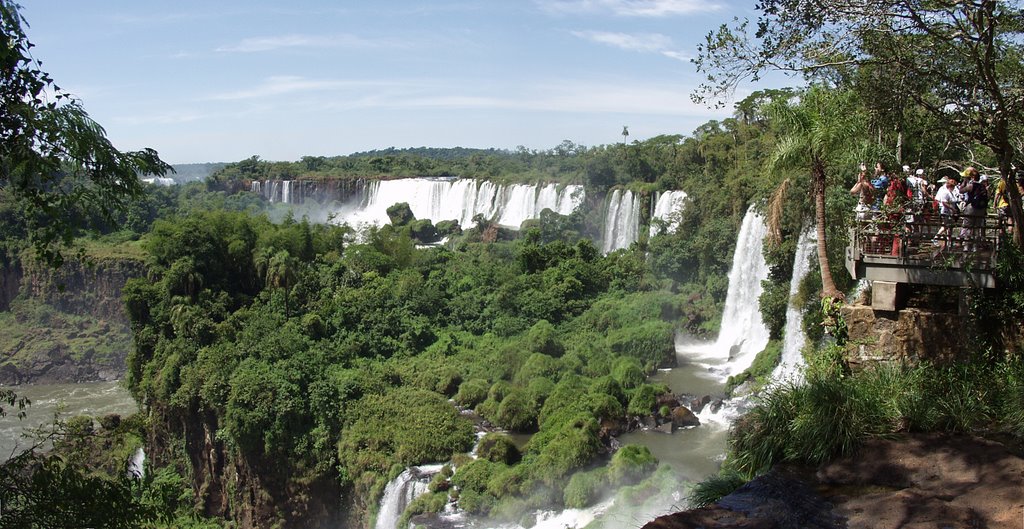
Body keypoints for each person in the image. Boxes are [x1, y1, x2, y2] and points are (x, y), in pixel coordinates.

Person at [958, 167, 988, 251]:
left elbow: (960, 191)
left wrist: (964, 181)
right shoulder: (983, 186)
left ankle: (966, 246)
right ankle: (975, 246)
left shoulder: (971, 186)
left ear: (971, 177)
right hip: (980, 209)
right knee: (977, 228)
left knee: (968, 227)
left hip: (971, 208)